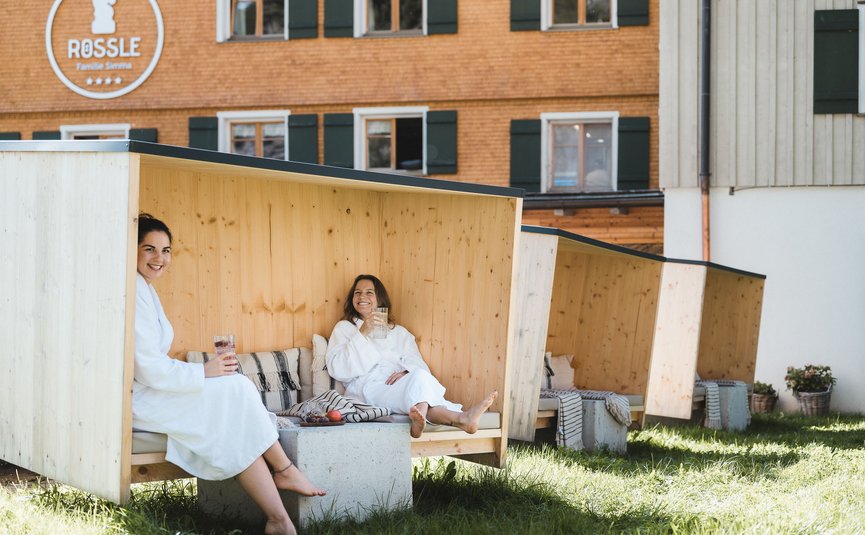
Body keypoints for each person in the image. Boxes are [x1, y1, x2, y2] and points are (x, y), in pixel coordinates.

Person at [132, 214, 324, 535]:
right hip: (141, 399)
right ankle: (285, 470)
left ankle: (279, 520)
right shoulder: (134, 292)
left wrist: (204, 374)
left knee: (234, 414)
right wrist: (203, 371)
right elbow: (147, 367)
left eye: (166, 251)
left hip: (156, 389)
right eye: (149, 249)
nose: (159, 258)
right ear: (132, 250)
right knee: (234, 390)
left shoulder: (145, 289)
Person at [326, 274, 498, 439]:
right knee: (419, 384)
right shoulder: (344, 328)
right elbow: (337, 368)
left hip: (398, 383)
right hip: (368, 388)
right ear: (352, 299)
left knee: (419, 376)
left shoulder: (399, 332)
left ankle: (438, 417)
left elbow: (418, 363)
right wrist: (362, 333)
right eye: (357, 293)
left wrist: (406, 372)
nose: (362, 296)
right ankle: (460, 417)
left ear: (380, 299)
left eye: (369, 292)